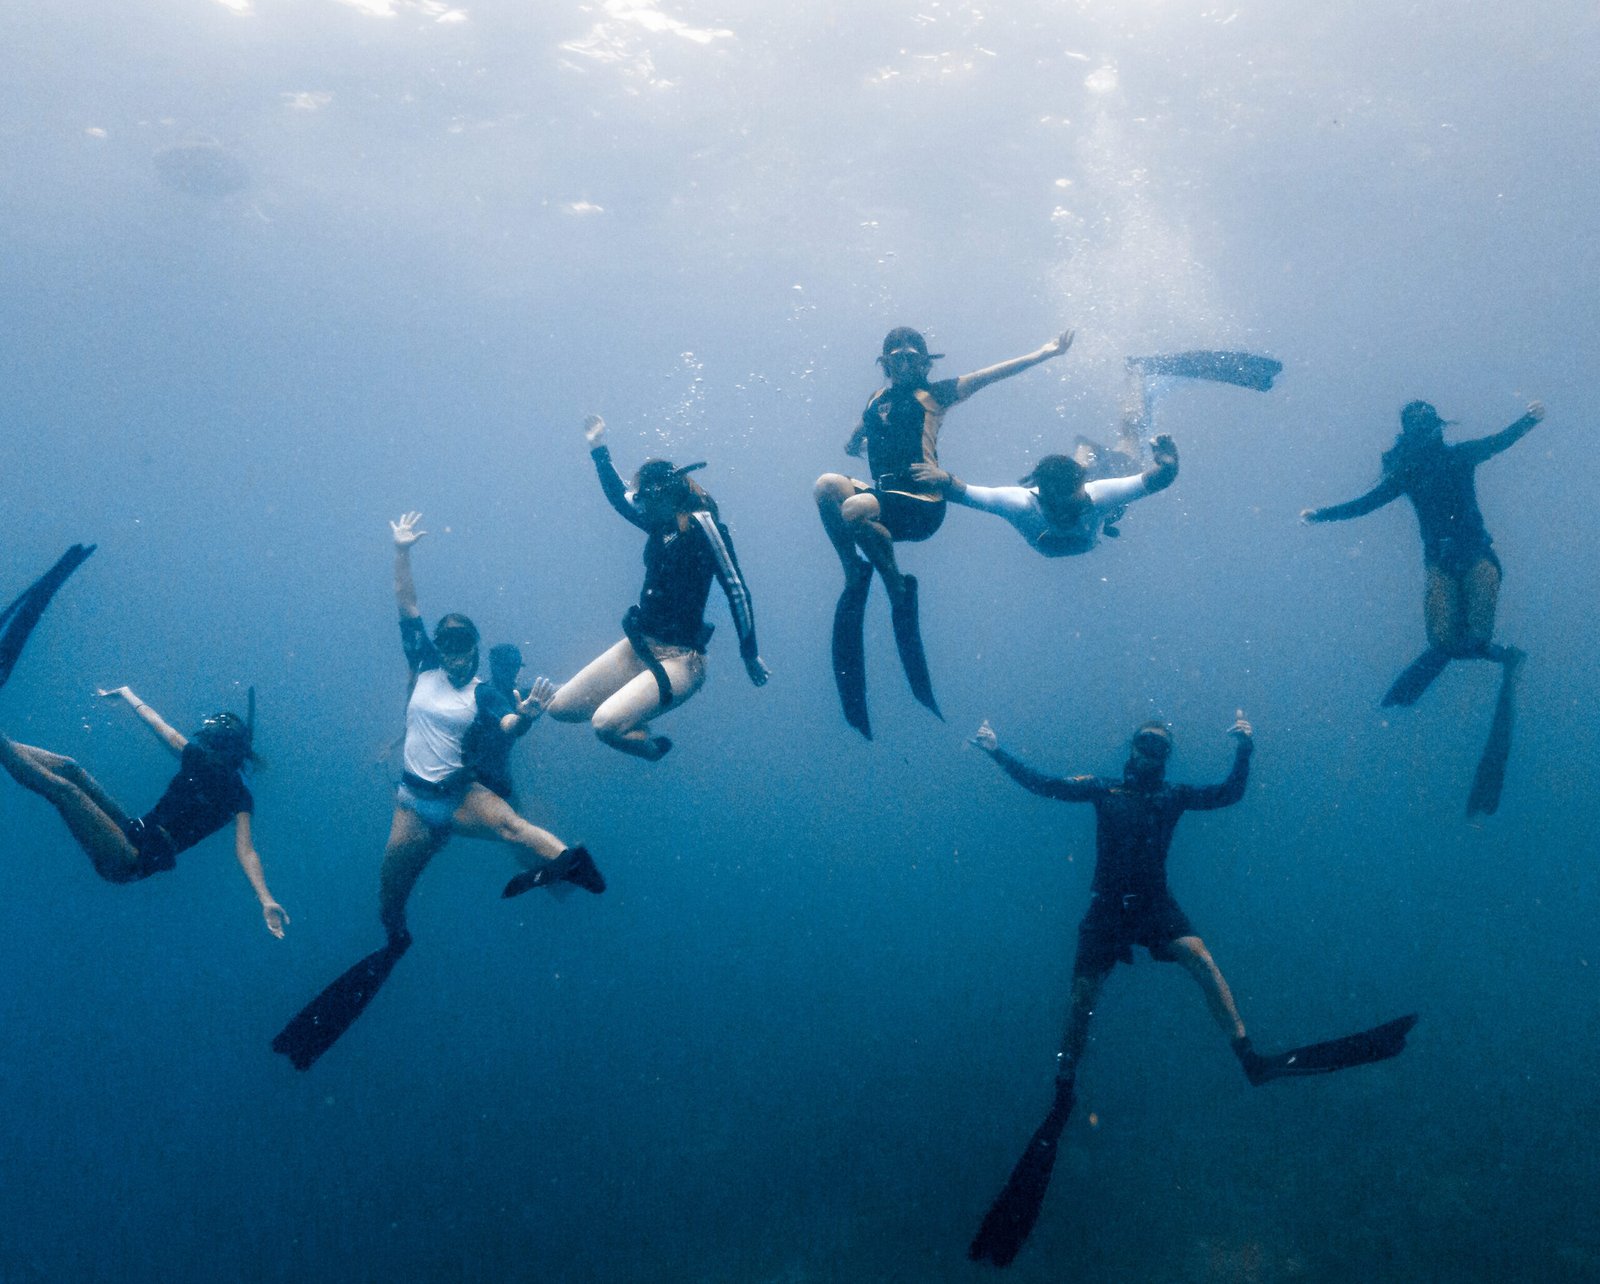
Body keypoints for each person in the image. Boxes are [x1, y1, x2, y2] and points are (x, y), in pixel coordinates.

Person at [965, 714, 1416, 1267]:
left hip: (1154, 904)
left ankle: (1250, 1056)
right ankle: (1064, 1088)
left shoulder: (1173, 797)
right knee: (1081, 1000)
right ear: (1131, 747)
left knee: (1201, 958)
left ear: (1168, 757)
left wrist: (1246, 746)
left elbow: (1229, 793)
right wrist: (996, 752)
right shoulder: (1102, 788)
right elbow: (1046, 784)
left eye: (1161, 747)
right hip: (1107, 909)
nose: (1152, 753)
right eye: (1145, 742)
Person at [270, 513, 602, 1071]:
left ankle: (578, 868)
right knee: (387, 901)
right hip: (411, 804)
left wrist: (525, 715)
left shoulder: (484, 692)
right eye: (445, 642)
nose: (451, 650)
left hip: (459, 796)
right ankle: (396, 942)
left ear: (474, 646)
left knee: (513, 827)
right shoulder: (421, 662)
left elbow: (504, 729)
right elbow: (407, 608)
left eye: (461, 642)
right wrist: (401, 553)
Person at [816, 326, 1075, 736]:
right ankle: (854, 570)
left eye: (913, 357)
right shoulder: (876, 399)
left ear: (925, 362)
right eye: (896, 357)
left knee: (854, 508)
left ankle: (894, 585)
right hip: (886, 499)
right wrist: (854, 438)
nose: (905, 364)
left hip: (923, 506)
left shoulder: (935, 395)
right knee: (827, 486)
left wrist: (1044, 352)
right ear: (884, 363)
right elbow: (868, 425)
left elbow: (991, 375)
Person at [1302, 398, 1546, 814]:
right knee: (1446, 642)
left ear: (1435, 428)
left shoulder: (1456, 457)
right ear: (1415, 433)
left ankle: (1495, 652)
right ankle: (1498, 656)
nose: (1426, 431)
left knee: (1471, 637)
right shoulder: (1406, 474)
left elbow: (1498, 442)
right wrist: (1322, 515)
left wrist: (1528, 420)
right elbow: (1365, 503)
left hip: (1477, 556)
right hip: (1441, 564)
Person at [546, 416, 768, 761]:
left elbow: (736, 589)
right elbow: (621, 499)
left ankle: (648, 746)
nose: (642, 506)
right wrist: (598, 448)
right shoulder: (659, 522)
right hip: (639, 645)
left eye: (647, 498)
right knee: (558, 708)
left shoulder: (703, 527)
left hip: (682, 660)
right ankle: (629, 714)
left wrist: (749, 652)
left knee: (604, 725)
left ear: (663, 494)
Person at [909, 433, 1178, 557]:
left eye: (1077, 501)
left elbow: (1157, 480)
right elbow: (966, 493)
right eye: (1064, 507)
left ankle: (1087, 452)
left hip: (1102, 509)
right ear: (1040, 498)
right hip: (1092, 518)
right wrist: (942, 479)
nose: (1071, 514)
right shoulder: (1021, 504)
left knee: (1129, 459)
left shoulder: (1096, 497)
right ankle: (1084, 451)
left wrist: (1168, 464)